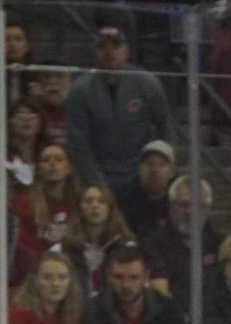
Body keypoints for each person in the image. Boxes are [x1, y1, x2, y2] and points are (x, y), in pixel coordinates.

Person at [64, 23, 173, 201]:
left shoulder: (147, 82)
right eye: (102, 47)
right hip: (99, 173)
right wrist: (95, 182)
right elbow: (78, 143)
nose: (109, 52)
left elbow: (165, 126)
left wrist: (159, 169)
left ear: (127, 50)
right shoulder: (80, 89)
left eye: (116, 46)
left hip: (139, 173)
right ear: (94, 51)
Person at [140, 175, 222, 301]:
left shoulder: (221, 245)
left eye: (198, 205)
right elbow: (160, 294)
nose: (190, 211)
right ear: (170, 206)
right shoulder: (151, 244)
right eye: (183, 205)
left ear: (208, 209)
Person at [13, 142, 81, 282]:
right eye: (46, 160)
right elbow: (22, 249)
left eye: (58, 159)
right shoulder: (24, 203)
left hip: (72, 274)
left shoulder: (80, 202)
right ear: (37, 169)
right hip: (34, 276)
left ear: (68, 168)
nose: (52, 164)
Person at [56, 184, 135, 293]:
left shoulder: (128, 248)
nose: (95, 205)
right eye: (88, 201)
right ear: (79, 208)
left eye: (102, 201)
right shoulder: (62, 249)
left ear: (110, 208)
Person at [117, 141, 176, 242]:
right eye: (149, 163)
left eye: (161, 164)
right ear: (139, 168)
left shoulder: (180, 202)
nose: (154, 170)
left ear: (172, 172)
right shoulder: (123, 201)